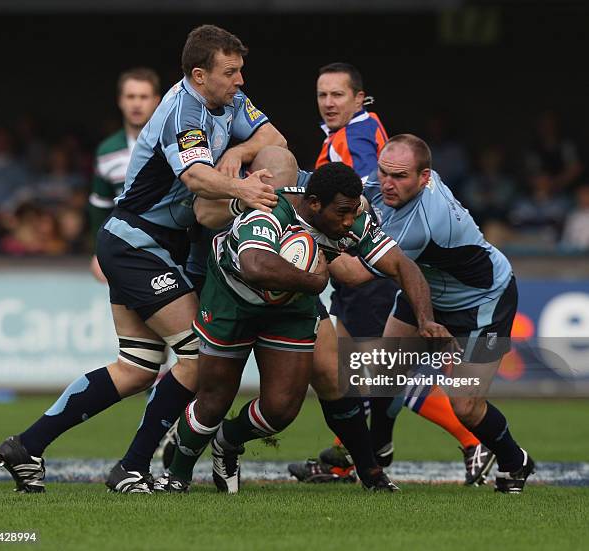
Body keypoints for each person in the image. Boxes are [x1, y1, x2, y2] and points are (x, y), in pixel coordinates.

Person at [0, 24, 285, 494]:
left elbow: (274, 137)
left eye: (241, 71)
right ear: (198, 74)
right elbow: (195, 178)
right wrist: (243, 186)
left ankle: (27, 446)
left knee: (137, 363)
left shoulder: (226, 102)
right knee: (196, 352)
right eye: (231, 72)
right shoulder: (182, 111)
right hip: (137, 243)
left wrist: (237, 148)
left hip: (142, 243)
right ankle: (132, 466)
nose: (240, 81)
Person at [157, 161, 453, 494]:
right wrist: (312, 280)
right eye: (341, 212)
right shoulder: (270, 211)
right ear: (314, 205)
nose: (347, 220)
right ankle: (176, 475)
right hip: (231, 300)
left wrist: (426, 319)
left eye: (353, 211)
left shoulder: (353, 221)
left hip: (290, 307)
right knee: (214, 398)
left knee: (281, 410)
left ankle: (228, 441)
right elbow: (255, 265)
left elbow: (402, 265)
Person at [291, 63, 490, 486]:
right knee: (342, 369)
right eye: (322, 95)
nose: (328, 103)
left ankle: (473, 440)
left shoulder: (356, 137)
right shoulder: (357, 130)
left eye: (337, 95)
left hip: (370, 269)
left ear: (359, 99)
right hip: (367, 267)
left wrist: (342, 248)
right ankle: (348, 457)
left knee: (379, 374)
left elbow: (363, 200)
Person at [325, 134, 535, 493]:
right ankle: (380, 449)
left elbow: (355, 274)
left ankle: (516, 461)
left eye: (400, 177)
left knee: (466, 406)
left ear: (425, 178)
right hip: (424, 289)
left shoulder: (421, 224)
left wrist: (308, 242)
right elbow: (357, 194)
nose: (388, 183)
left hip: (482, 301)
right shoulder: (396, 181)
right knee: (384, 370)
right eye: (384, 172)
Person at [88, 67, 162, 282]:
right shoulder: (106, 151)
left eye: (143, 96)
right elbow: (100, 207)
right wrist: (98, 252)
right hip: (123, 251)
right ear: (120, 100)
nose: (137, 103)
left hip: (169, 248)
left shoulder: (170, 143)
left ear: (157, 100)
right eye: (130, 96)